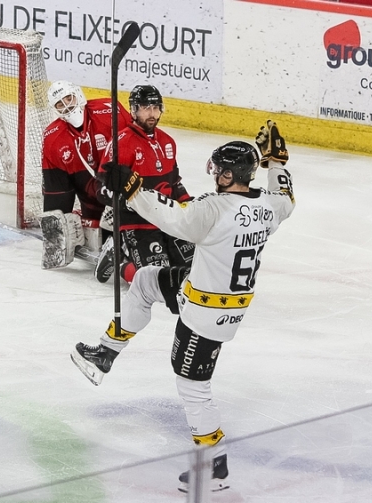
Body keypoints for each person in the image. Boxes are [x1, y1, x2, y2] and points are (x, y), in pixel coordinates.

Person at [71, 121, 294, 492]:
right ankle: (106, 353)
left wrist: (132, 190)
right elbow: (285, 194)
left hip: (205, 315)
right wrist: (277, 163)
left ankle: (213, 464)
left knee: (192, 384)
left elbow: (172, 217)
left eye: (219, 169)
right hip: (203, 291)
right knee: (145, 280)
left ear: (227, 174)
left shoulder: (214, 210)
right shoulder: (270, 207)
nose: (215, 175)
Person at [94, 84, 194, 284]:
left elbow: (174, 182)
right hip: (137, 222)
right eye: (146, 108)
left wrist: (189, 205)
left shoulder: (168, 142)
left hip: (167, 217)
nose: (152, 113)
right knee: (157, 281)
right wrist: (129, 201)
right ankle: (118, 259)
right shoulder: (121, 143)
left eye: (156, 108)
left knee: (191, 272)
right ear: (134, 110)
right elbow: (101, 189)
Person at [39, 80, 132, 270]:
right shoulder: (53, 139)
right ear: (54, 109)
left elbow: (137, 148)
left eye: (68, 98)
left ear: (77, 95)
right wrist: (55, 232)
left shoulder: (109, 111)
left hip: (127, 194)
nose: (66, 105)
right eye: (60, 103)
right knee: (102, 237)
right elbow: (56, 190)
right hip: (93, 206)